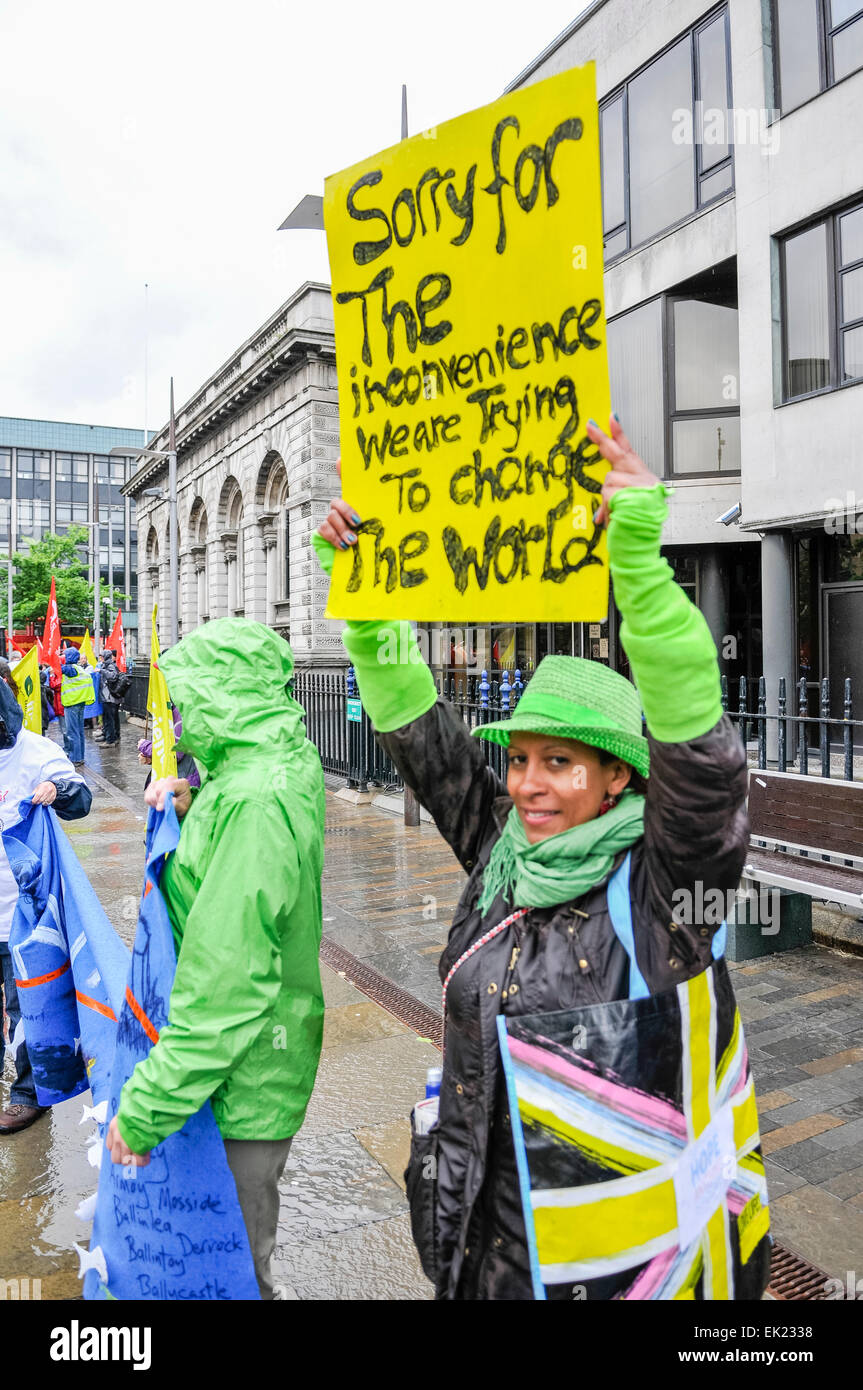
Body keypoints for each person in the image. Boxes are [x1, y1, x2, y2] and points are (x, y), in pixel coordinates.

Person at [312, 419, 769, 1302]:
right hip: (480, 1244)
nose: (526, 785)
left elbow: (702, 757)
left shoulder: (666, 889)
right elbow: (419, 733)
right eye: (518, 758)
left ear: (614, 781)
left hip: (612, 1273)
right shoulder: (501, 851)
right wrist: (367, 604)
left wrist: (634, 560)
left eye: (558, 762)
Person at [103, 618, 326, 1300]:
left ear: (222, 695)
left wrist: (146, 1107)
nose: (171, 714)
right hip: (250, 1068)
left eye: (184, 696)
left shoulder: (254, 800)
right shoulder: (266, 765)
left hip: (240, 1082)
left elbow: (227, 982)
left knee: (221, 1270)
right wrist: (196, 799)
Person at [0, 678, 93, 1133]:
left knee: (26, 1009)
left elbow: (81, 798)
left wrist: (59, 791)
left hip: (20, 913)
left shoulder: (36, 753)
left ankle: (27, 1094)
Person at [60, 647, 93, 766]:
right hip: (79, 703)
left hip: (72, 704)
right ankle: (80, 756)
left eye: (65, 655)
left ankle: (75, 758)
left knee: (72, 732)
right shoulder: (79, 668)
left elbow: (58, 668)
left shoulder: (70, 669)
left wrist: (54, 658)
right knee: (79, 731)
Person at [98, 648, 125, 745]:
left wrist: (101, 671)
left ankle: (110, 740)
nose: (100, 658)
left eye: (102, 656)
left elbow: (113, 676)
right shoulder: (106, 665)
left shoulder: (110, 666)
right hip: (107, 697)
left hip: (109, 697)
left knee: (109, 719)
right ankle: (110, 736)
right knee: (109, 718)